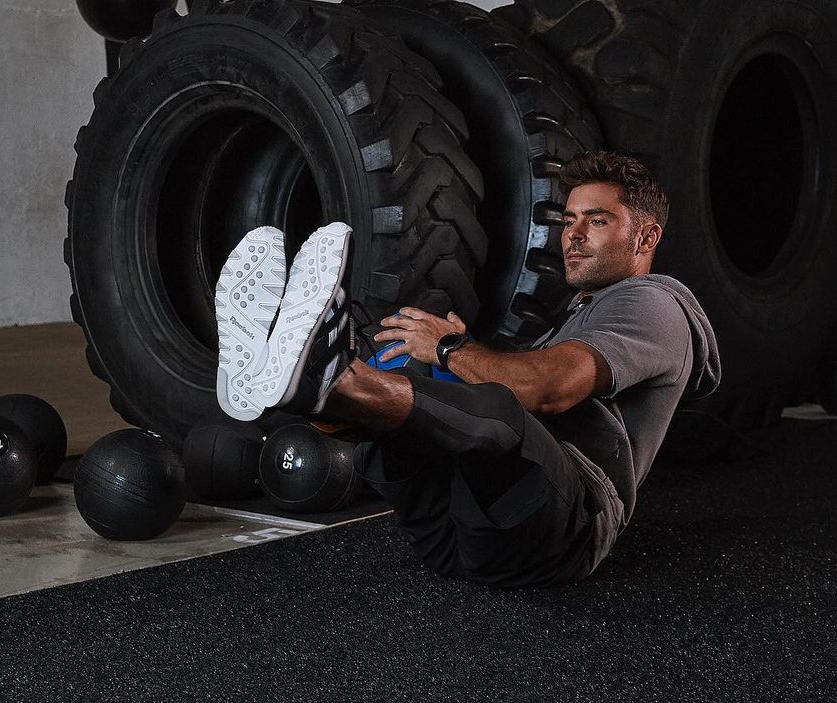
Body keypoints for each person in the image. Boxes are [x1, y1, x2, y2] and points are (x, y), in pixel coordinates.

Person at [215, 150, 721, 588]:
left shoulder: (653, 303)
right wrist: (453, 357)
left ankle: (327, 381)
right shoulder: (579, 314)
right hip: (458, 538)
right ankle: (304, 386)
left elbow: (546, 391)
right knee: (413, 365)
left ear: (646, 235)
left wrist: (452, 349)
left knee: (489, 400)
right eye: (568, 221)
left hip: (562, 531)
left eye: (598, 220)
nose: (574, 236)